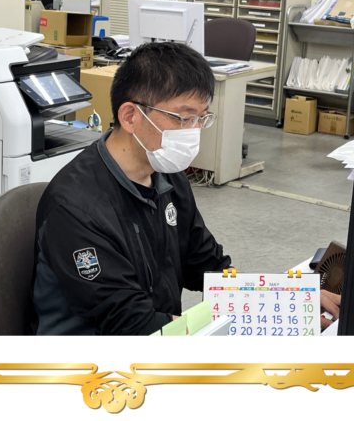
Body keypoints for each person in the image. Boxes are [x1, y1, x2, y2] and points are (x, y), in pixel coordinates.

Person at [28, 42, 229, 335]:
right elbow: (128, 322)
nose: (194, 131)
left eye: (201, 118)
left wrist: (267, 297)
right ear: (130, 116)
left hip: (156, 330)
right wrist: (211, 330)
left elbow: (206, 263)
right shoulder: (77, 208)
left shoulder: (168, 177)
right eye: (183, 118)